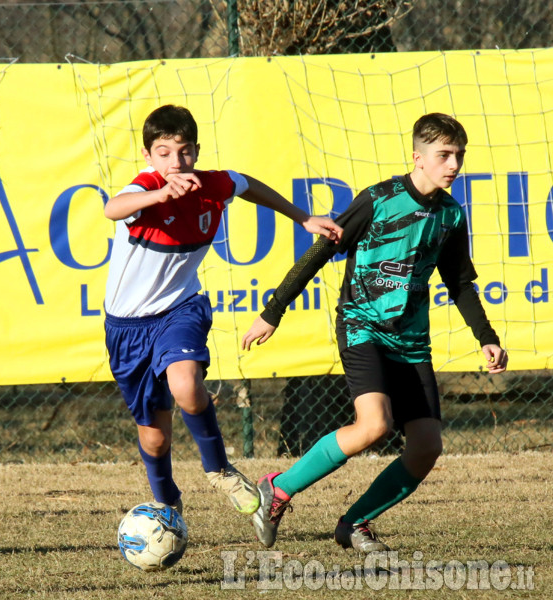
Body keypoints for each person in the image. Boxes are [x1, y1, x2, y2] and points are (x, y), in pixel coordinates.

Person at [242, 113, 508, 552]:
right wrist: (273, 310)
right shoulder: (379, 200)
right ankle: (278, 488)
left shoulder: (450, 215)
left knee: (426, 447)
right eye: (444, 155)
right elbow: (320, 251)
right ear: (417, 158)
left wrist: (486, 337)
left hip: (410, 341)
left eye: (459, 155)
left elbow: (459, 283)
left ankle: (355, 523)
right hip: (362, 327)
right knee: (375, 425)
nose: (454, 165)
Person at [104, 105, 342, 516]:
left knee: (186, 386)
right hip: (126, 327)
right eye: (163, 153)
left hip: (180, 310)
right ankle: (166, 503)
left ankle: (219, 469)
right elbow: (113, 207)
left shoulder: (212, 185)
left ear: (196, 150)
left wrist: (302, 218)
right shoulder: (143, 190)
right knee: (156, 438)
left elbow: (246, 184)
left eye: (183, 152)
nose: (175, 163)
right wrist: (159, 194)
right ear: (147, 156)